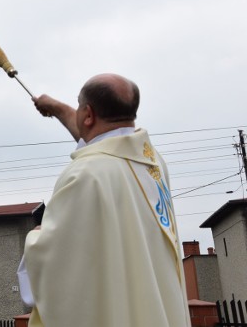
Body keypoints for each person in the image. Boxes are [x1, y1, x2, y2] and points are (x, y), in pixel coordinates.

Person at [22, 73, 190, 327]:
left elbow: (57, 262)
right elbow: (101, 139)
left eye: (79, 106)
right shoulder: (152, 161)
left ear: (88, 115)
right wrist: (58, 109)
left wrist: (37, 235)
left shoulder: (85, 175)